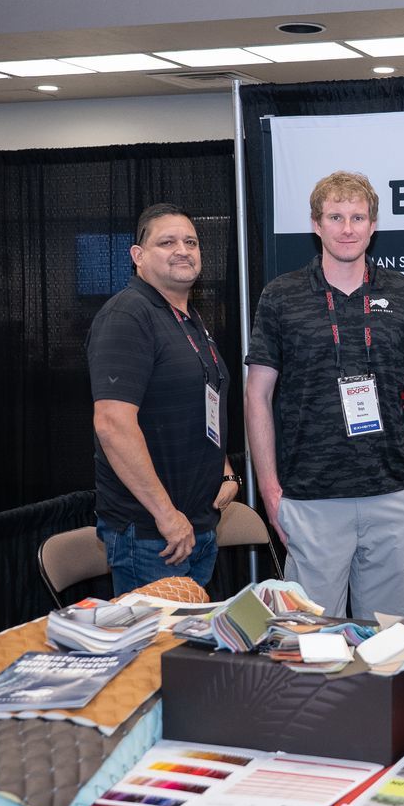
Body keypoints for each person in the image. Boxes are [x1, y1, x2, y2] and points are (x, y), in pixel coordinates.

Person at [246, 171, 404, 619]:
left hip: (392, 495)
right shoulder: (280, 296)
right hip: (311, 500)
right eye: (335, 217)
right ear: (316, 224)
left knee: (394, 644)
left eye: (357, 217)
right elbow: (257, 396)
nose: (347, 228)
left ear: (373, 226)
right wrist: (270, 491)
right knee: (306, 643)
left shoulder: (403, 293)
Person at [87, 203, 240, 594]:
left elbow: (203, 401)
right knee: (155, 654)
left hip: (195, 524)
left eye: (191, 241)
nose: (183, 250)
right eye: (167, 242)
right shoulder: (128, 315)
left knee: (186, 651)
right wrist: (167, 515)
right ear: (138, 256)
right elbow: (112, 425)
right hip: (155, 535)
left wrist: (224, 470)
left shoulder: (189, 318)